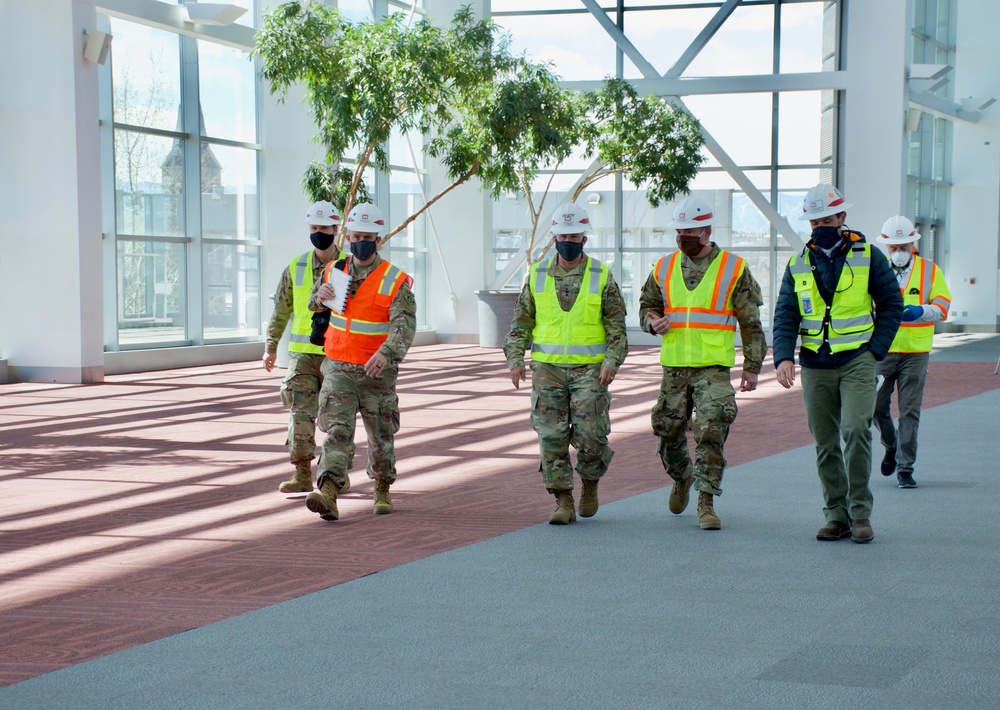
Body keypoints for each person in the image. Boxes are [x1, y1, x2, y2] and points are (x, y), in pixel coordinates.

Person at [773, 184, 903, 544]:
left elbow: (891, 305)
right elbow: (786, 313)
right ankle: (836, 515)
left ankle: (860, 512)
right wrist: (783, 355)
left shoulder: (869, 256)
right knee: (825, 440)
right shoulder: (799, 262)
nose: (820, 227)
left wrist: (874, 351)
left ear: (843, 217)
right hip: (815, 364)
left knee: (856, 429)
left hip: (857, 359)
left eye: (827, 219)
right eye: (814, 222)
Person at [639, 196, 766, 530]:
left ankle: (706, 502)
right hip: (674, 367)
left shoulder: (734, 268)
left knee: (710, 430)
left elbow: (750, 323)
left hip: (713, 367)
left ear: (707, 230)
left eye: (691, 230)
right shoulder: (663, 267)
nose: (683, 236)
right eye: (680, 230)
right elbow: (646, 306)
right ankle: (682, 477)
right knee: (666, 431)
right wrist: (652, 321)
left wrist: (752, 366)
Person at [503, 203, 628, 525]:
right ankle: (562, 500)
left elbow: (616, 327)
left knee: (590, 434)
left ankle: (589, 482)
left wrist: (611, 363)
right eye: (562, 236)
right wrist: (515, 358)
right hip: (548, 370)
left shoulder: (601, 274)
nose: (567, 241)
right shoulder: (537, 273)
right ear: (554, 238)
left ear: (584, 239)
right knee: (550, 436)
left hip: (590, 370)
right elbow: (521, 322)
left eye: (574, 236)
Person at [303, 202, 415, 521]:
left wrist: (387, 352)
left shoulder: (395, 279)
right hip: (338, 366)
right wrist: (319, 297)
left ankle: (381, 485)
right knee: (337, 429)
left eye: (368, 236)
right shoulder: (335, 270)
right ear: (348, 235)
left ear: (378, 239)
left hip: (376, 370)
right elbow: (316, 304)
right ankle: (328, 491)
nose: (361, 241)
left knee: (380, 435)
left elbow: (404, 325)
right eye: (356, 235)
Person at [262, 201, 346, 494]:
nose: (319, 233)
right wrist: (271, 346)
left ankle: (334, 475)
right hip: (303, 356)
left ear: (336, 230)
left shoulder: (351, 266)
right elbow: (281, 309)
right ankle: (301, 473)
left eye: (324, 228)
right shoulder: (295, 267)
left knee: (337, 418)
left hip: (339, 355)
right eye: (314, 228)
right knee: (300, 414)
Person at [872, 215, 952, 489]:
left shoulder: (930, 270)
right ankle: (891, 445)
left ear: (912, 243)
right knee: (875, 407)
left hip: (916, 353)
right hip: (882, 351)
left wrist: (921, 311)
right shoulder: (876, 269)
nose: (898, 252)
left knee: (910, 411)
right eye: (893, 247)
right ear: (886, 247)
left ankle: (905, 468)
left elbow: (942, 307)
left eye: (903, 246)